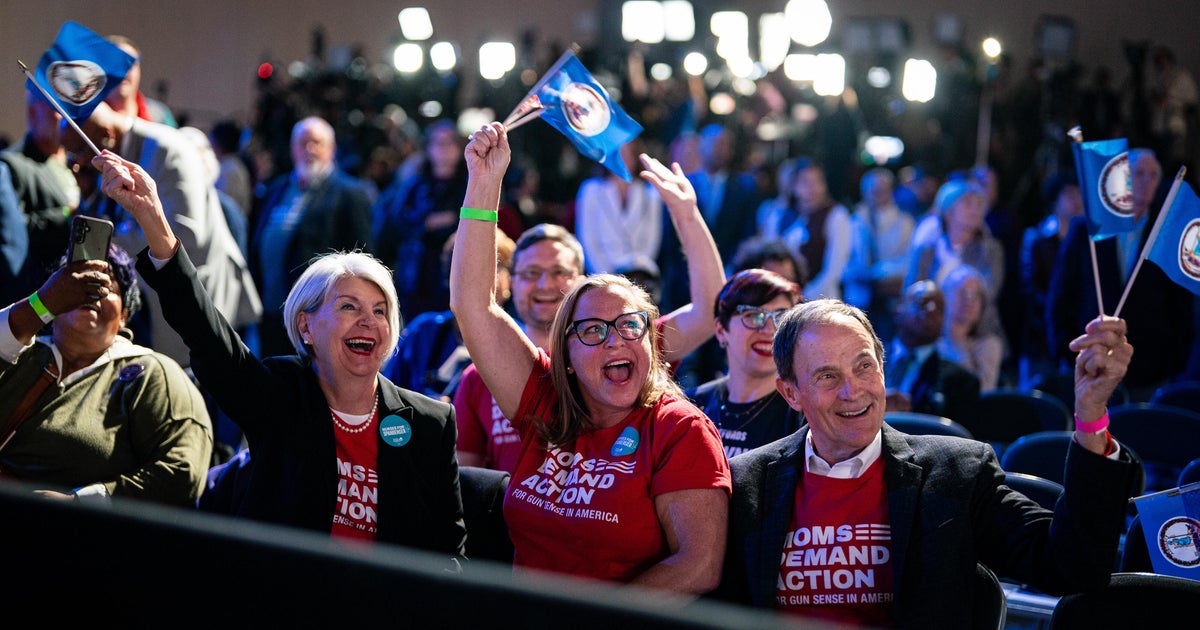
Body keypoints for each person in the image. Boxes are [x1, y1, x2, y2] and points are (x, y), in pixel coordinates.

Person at [92, 150, 465, 561]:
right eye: (349, 306)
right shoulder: (278, 396)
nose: (368, 321)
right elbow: (207, 334)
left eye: (380, 311)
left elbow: (450, 554)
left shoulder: (429, 424)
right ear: (306, 326)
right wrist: (153, 218)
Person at [717, 298, 1142, 627]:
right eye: (827, 376)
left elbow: (1071, 567)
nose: (853, 390)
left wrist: (1090, 414)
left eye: (864, 367)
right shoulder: (748, 483)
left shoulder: (955, 472)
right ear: (791, 393)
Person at [450, 122, 729, 592]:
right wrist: (484, 181)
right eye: (594, 330)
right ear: (566, 354)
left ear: (651, 340)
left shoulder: (678, 429)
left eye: (630, 325)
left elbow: (698, 566)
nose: (615, 340)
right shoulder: (545, 402)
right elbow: (473, 305)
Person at [0, 243, 212, 507]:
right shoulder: (17, 351)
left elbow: (184, 471)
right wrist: (39, 305)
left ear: (124, 315)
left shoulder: (152, 374)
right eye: (78, 282)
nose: (90, 292)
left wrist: (80, 502)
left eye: (105, 286)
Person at [65, 101, 261, 371]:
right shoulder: (108, 154)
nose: (78, 163)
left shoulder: (168, 149)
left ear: (106, 136)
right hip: (157, 312)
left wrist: (111, 241)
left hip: (198, 316)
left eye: (78, 151)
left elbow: (184, 237)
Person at [1047, 148, 1194, 400]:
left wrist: (1174, 364)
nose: (1146, 181)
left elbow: (1182, 306)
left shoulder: (1168, 234)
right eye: (1139, 173)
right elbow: (1061, 294)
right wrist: (1064, 352)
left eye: (1153, 175)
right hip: (1089, 364)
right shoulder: (1087, 228)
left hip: (1149, 370)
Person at [251, 116, 373, 356]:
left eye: (317, 142)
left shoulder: (349, 193)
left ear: (331, 149)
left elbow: (363, 260)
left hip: (316, 317)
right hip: (271, 314)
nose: (310, 149)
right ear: (292, 148)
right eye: (303, 143)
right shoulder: (276, 188)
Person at [383, 229, 516, 402]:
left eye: (495, 266)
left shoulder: (519, 340)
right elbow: (385, 395)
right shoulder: (423, 332)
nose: (483, 278)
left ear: (511, 280)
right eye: (470, 267)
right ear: (450, 277)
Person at [687, 269, 805, 458]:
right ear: (721, 330)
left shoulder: (804, 412)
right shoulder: (691, 405)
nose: (769, 329)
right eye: (753, 315)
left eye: (781, 317)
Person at [0, 88, 81, 305]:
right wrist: (68, 214)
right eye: (56, 109)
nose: (64, 117)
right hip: (42, 295)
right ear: (33, 113)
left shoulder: (81, 161)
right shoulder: (11, 165)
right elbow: (14, 232)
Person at [884, 280, 981, 426]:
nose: (931, 309)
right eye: (922, 302)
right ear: (899, 310)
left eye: (939, 308)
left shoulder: (961, 383)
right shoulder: (865, 360)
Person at [758, 157, 853, 302]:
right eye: (805, 182)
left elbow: (834, 268)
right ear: (794, 186)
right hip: (783, 297)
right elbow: (769, 254)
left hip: (821, 300)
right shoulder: (781, 214)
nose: (812, 188)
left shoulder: (836, 215)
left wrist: (805, 297)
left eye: (817, 182)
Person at [844, 167, 913, 343]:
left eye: (882, 189)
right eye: (872, 190)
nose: (877, 194)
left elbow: (908, 261)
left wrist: (876, 272)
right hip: (859, 299)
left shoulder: (905, 223)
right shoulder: (854, 220)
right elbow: (845, 258)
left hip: (891, 299)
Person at [938, 264, 1006, 392]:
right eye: (962, 293)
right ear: (944, 297)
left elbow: (983, 392)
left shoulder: (989, 345)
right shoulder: (930, 339)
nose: (969, 301)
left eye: (976, 296)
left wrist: (957, 345)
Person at [104, 35, 178, 128]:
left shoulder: (159, 115)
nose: (123, 72)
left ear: (138, 70)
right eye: (115, 63)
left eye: (130, 63)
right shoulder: (89, 115)